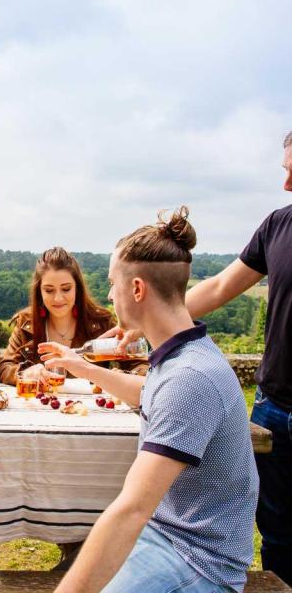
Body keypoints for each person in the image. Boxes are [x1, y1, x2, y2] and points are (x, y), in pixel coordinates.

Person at [40, 207, 258, 593]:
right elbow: (150, 395)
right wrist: (85, 368)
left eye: (112, 284)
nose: (109, 294)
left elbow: (132, 509)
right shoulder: (183, 354)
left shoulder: (189, 380)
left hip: (196, 561)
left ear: (137, 289)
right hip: (168, 538)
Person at [180, 130, 292, 585]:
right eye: (287, 171)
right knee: (280, 534)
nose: (286, 184)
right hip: (274, 408)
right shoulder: (278, 225)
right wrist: (149, 314)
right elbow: (220, 287)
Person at [0, 246, 146, 386]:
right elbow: (3, 368)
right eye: (49, 290)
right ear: (39, 292)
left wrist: (120, 376)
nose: (58, 298)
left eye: (66, 289)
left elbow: (140, 366)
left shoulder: (101, 322)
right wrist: (24, 373)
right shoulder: (26, 323)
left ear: (77, 288)